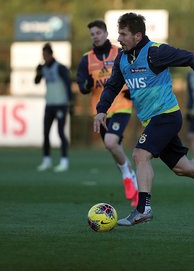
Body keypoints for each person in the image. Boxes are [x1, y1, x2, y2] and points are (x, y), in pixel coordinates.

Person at [93, 12, 194, 227]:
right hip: (152, 120)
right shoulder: (122, 58)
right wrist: (101, 110)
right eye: (119, 33)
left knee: (139, 154)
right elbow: (113, 86)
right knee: (183, 168)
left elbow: (191, 58)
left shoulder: (155, 52)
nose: (119, 38)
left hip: (166, 116)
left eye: (123, 34)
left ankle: (143, 209)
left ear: (137, 35)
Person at [77, 19, 138, 206]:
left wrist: (132, 88)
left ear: (105, 33)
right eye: (92, 34)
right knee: (113, 148)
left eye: (98, 32)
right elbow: (82, 85)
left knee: (111, 143)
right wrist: (85, 85)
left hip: (121, 106)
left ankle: (128, 176)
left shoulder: (119, 52)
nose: (95, 36)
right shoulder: (86, 59)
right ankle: (131, 177)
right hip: (101, 111)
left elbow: (135, 71)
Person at [35, 43, 72, 172]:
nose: (44, 58)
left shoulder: (60, 68)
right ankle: (46, 160)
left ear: (51, 54)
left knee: (61, 132)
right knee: (45, 133)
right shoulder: (43, 67)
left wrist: (70, 102)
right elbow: (36, 81)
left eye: (46, 55)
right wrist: (38, 72)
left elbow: (68, 84)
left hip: (61, 104)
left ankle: (64, 160)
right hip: (49, 104)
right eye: (43, 55)